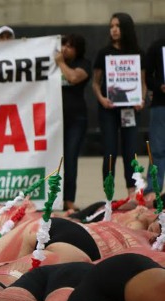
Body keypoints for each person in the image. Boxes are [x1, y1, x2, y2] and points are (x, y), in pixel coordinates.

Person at [92, 12, 146, 195]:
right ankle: (109, 194)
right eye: (111, 26)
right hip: (109, 109)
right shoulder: (104, 53)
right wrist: (101, 99)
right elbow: (95, 82)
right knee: (109, 151)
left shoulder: (138, 53)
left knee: (131, 151)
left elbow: (142, 83)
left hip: (130, 109)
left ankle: (132, 192)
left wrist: (141, 99)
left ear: (126, 28)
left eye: (117, 26)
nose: (114, 30)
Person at [56, 34, 91, 211]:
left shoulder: (83, 64)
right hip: (54, 119)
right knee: (54, 159)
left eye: (70, 46)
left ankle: (68, 199)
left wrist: (60, 63)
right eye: (63, 45)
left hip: (76, 120)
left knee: (70, 159)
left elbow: (73, 78)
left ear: (78, 49)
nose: (65, 49)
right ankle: (55, 198)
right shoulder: (52, 64)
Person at [145, 33, 165, 197]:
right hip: (161, 104)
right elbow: (147, 77)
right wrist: (160, 86)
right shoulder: (157, 46)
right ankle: (153, 189)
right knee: (157, 149)